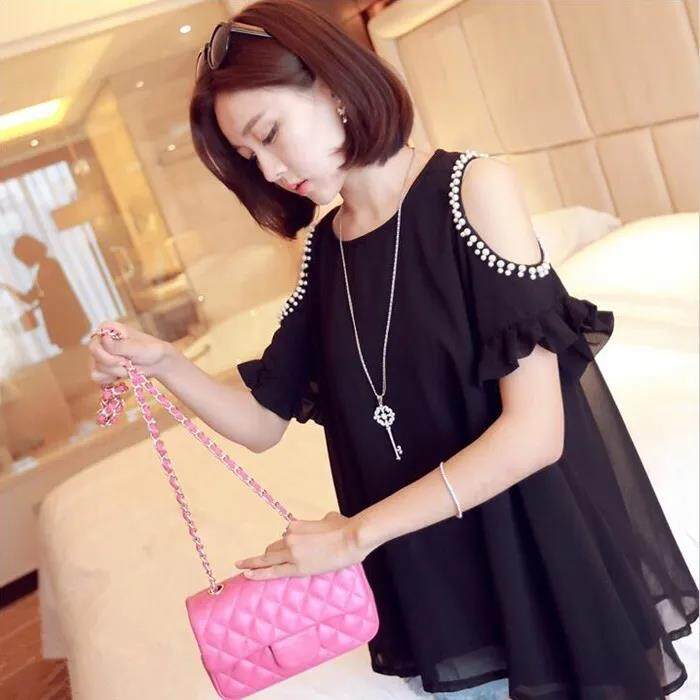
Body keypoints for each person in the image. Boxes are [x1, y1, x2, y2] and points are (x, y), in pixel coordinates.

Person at [89, 2, 698, 698]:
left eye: (270, 134)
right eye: (251, 158)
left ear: (333, 88)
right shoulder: (323, 253)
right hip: (430, 584)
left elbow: (535, 434)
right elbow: (261, 423)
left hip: (534, 557)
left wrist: (353, 536)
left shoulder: (473, 189)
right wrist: (163, 363)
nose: (271, 169)